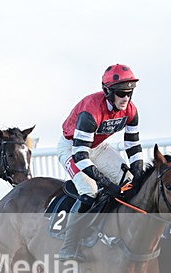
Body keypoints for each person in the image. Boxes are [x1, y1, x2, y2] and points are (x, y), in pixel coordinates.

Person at [56, 64, 144, 262]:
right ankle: (68, 246)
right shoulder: (91, 111)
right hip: (73, 148)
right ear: (107, 91)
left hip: (98, 146)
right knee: (90, 191)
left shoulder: (131, 110)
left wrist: (138, 172)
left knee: (129, 181)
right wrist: (107, 183)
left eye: (130, 92)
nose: (126, 98)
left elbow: (133, 145)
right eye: (121, 92)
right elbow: (81, 156)